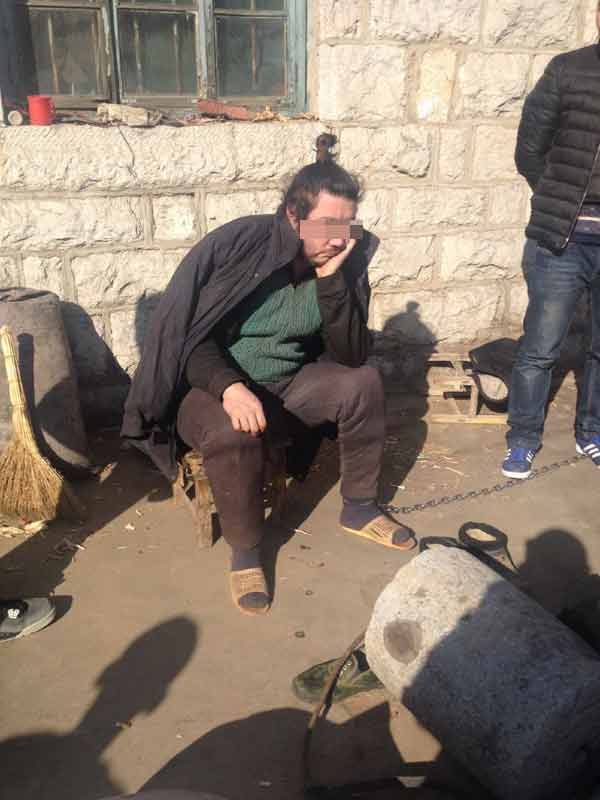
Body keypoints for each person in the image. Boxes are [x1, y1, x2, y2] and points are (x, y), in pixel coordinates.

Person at [122, 135, 416, 616]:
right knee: (233, 431)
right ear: (293, 216)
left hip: (288, 382)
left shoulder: (342, 259)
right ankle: (245, 550)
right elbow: (189, 339)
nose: (338, 238)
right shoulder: (243, 248)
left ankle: (359, 507)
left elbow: (352, 354)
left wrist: (331, 283)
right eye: (326, 225)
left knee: (363, 383)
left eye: (346, 225)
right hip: (209, 386)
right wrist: (230, 387)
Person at [503, 3, 600, 479]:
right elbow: (529, 148)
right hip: (563, 241)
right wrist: (556, 198)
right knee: (540, 347)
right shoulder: (567, 70)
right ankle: (522, 439)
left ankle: (593, 430)